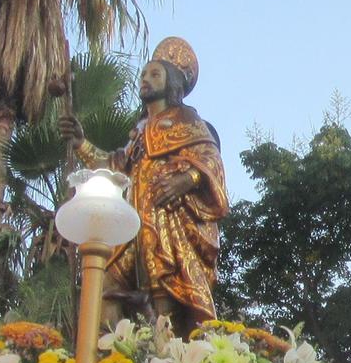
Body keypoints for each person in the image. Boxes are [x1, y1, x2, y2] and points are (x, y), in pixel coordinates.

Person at [61, 36, 229, 332]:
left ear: (172, 81)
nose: (145, 79)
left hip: (165, 219)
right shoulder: (138, 131)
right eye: (143, 74)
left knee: (163, 288)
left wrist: (186, 179)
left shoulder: (186, 119)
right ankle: (108, 358)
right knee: (106, 281)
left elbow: (210, 158)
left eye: (155, 74)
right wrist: (81, 144)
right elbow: (116, 167)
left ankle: (167, 359)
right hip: (129, 218)